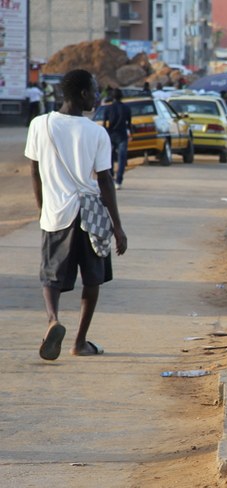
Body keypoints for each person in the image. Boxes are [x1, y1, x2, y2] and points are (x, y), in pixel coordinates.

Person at [25, 68, 127, 360]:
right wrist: (117, 227)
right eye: (95, 91)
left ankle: (53, 319)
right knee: (92, 279)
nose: (97, 96)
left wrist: (42, 206)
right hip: (91, 214)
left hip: (56, 212)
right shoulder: (96, 132)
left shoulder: (39, 125)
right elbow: (105, 180)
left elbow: (34, 170)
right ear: (83, 94)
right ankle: (79, 343)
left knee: (50, 276)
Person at [102, 88, 133, 189]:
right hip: (122, 135)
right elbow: (129, 123)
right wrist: (131, 134)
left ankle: (110, 178)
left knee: (109, 159)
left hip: (110, 135)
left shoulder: (108, 108)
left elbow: (104, 123)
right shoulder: (126, 108)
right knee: (122, 159)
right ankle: (118, 181)